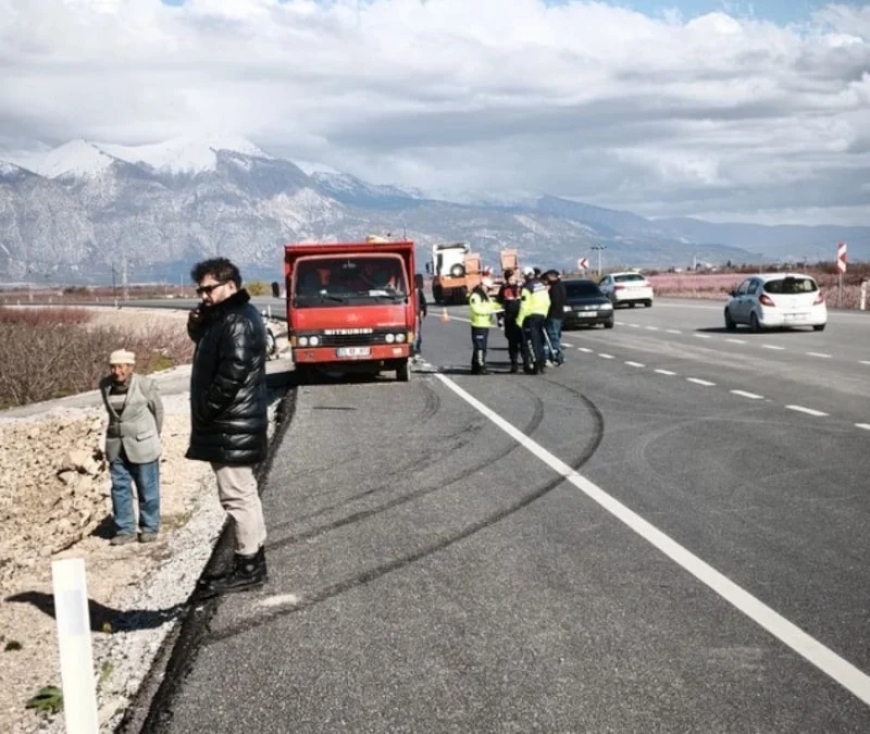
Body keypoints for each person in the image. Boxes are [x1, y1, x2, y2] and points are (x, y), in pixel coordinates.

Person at [186, 257, 270, 596]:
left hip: (231, 424)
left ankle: (248, 566)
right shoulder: (227, 316)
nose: (204, 295)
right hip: (232, 423)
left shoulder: (236, 320)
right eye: (200, 289)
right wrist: (200, 319)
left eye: (210, 289)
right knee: (241, 494)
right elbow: (202, 339)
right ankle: (250, 560)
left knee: (237, 496)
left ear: (230, 285)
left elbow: (232, 373)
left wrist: (207, 408)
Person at [99, 349, 164, 545]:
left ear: (130, 367)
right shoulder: (105, 386)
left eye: (120, 367)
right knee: (119, 488)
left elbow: (158, 411)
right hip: (116, 445)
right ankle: (124, 529)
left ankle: (149, 527)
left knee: (147, 487)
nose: (116, 371)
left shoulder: (145, 384)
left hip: (143, 444)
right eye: (113, 367)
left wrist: (153, 435)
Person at [516, 266, 551, 374]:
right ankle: (541, 364)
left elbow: (524, 306)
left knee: (531, 342)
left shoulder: (527, 288)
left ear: (525, 275)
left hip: (530, 317)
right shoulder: (540, 285)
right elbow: (547, 301)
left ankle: (535, 366)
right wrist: (544, 313)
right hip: (541, 315)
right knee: (540, 341)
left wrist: (519, 320)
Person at [468, 274, 503, 374]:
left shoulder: (485, 296)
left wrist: (501, 305)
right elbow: (477, 309)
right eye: (488, 288)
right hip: (478, 325)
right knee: (480, 348)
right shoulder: (475, 296)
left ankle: (475, 367)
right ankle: (480, 367)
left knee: (482, 347)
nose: (489, 290)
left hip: (485, 325)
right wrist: (490, 311)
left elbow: (493, 304)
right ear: (483, 286)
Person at [496, 268, 523, 373]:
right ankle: (514, 364)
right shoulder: (504, 289)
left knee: (523, 342)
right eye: (510, 278)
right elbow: (499, 305)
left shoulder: (520, 287)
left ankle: (526, 363)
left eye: (513, 277)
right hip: (510, 319)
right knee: (512, 343)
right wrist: (500, 318)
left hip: (521, 318)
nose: (513, 279)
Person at [544, 269, 567, 366]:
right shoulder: (560, 286)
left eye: (548, 277)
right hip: (559, 315)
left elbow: (554, 302)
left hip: (553, 315)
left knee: (553, 336)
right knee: (555, 336)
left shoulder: (555, 288)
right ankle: (554, 355)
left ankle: (557, 356)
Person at [413, 274, 427, 362]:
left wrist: (422, 311)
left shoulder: (418, 291)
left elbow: (423, 302)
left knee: (417, 334)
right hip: (409, 314)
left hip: (416, 315)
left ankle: (417, 351)